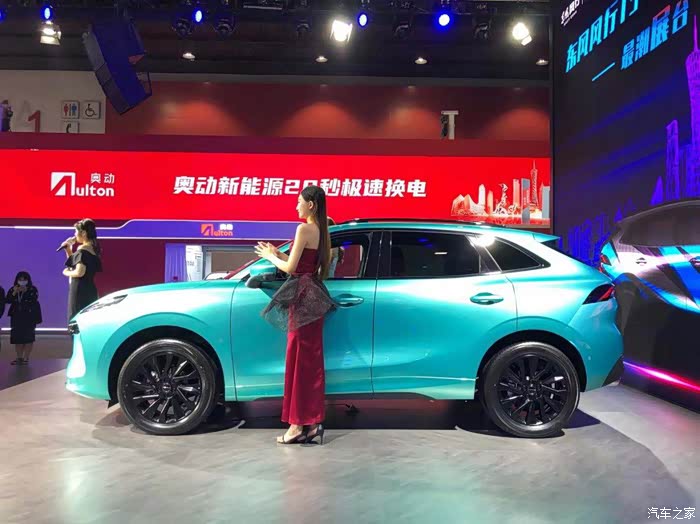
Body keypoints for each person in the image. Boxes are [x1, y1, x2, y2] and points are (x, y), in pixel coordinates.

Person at [255, 185, 335, 445]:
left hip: (301, 299)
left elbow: (291, 269)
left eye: (299, 201)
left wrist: (271, 257)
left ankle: (297, 425)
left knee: (298, 362)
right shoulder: (322, 230)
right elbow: (305, 263)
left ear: (311, 204)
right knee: (309, 364)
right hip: (314, 296)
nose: (296, 206)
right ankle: (311, 424)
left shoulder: (304, 229)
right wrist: (277, 253)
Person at [62, 218, 103, 320]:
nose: (74, 234)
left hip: (79, 290)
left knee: (76, 319)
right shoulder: (94, 248)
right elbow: (76, 264)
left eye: (76, 231)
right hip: (90, 289)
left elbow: (80, 272)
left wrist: (66, 272)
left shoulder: (82, 249)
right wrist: (68, 249)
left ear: (83, 233)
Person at [6, 272, 41, 365]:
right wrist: (14, 292)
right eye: (20, 279)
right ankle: (19, 357)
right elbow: (8, 300)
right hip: (16, 316)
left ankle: (26, 358)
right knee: (17, 337)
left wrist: (26, 292)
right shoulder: (13, 288)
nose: (22, 281)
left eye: (24, 279)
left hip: (29, 316)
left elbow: (34, 299)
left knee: (28, 337)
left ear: (28, 280)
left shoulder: (32, 289)